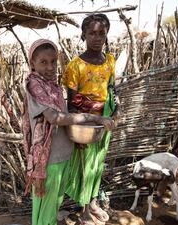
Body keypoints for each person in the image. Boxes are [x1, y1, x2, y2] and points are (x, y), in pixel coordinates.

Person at [22, 39, 113, 225]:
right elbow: (55, 118)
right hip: (49, 161)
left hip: (63, 155)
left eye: (53, 61)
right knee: (45, 211)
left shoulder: (53, 86)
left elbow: (64, 116)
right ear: (32, 63)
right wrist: (93, 117)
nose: (50, 67)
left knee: (53, 206)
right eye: (43, 62)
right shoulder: (35, 86)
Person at [62, 14, 119, 224]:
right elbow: (72, 102)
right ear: (84, 35)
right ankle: (84, 208)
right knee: (85, 165)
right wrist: (75, 131)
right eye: (92, 33)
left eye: (101, 33)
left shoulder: (110, 61)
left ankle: (93, 202)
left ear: (106, 35)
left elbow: (112, 88)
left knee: (98, 163)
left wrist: (117, 109)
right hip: (85, 123)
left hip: (105, 121)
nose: (97, 38)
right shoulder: (75, 66)